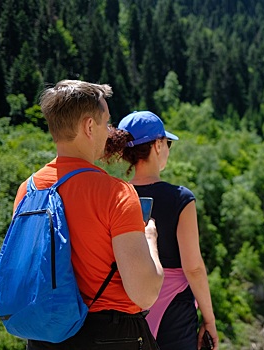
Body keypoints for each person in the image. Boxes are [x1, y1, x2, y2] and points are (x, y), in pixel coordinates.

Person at [15, 80, 164, 349]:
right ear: (88, 126)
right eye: (106, 123)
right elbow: (145, 294)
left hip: (43, 336)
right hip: (110, 335)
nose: (110, 132)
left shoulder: (28, 189)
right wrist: (150, 240)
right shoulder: (116, 192)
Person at [104, 111, 219, 350]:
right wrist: (209, 319)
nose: (167, 149)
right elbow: (194, 268)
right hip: (174, 312)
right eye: (167, 144)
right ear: (157, 145)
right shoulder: (180, 198)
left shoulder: (113, 195)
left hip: (126, 306)